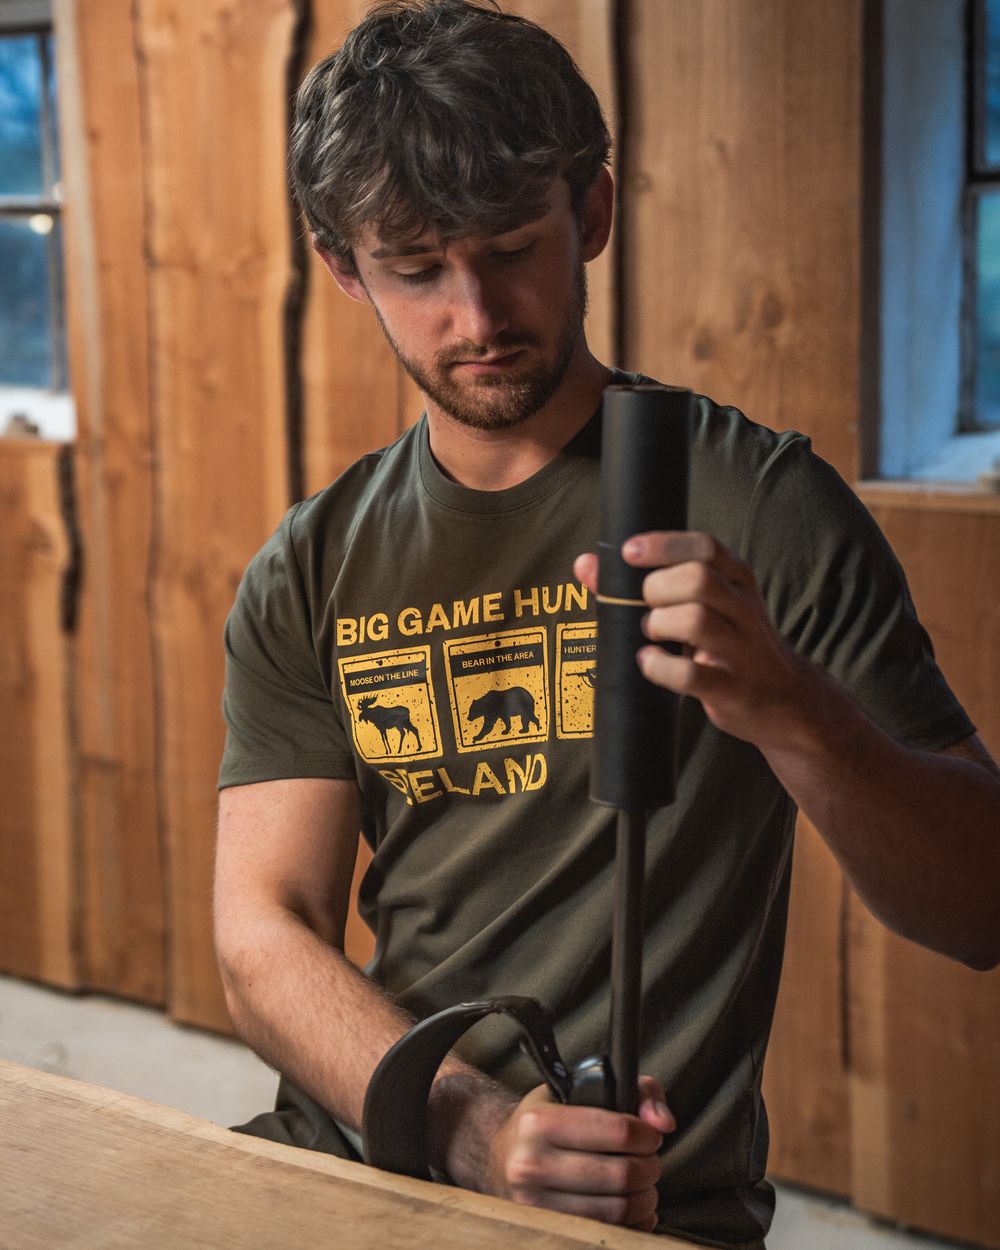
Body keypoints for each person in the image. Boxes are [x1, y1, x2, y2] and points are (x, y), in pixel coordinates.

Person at [213, 2, 1000, 1245]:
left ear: (592, 213)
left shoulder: (756, 504)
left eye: (511, 247)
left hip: (631, 1213)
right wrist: (472, 1129)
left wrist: (795, 711)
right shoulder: (312, 563)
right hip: (362, 1168)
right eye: (416, 269)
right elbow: (266, 931)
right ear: (342, 264)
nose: (475, 316)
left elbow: (979, 906)